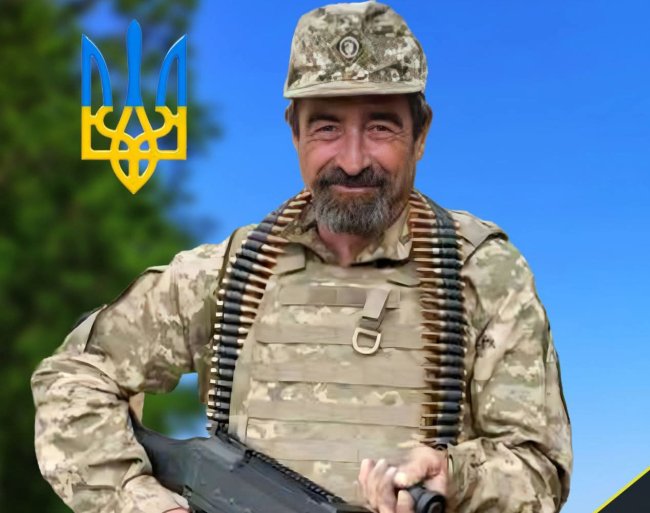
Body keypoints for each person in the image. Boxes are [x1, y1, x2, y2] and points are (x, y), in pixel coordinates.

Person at [31, 2, 572, 513]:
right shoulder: (231, 273)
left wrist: (457, 477)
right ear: (294, 130)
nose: (353, 160)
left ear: (421, 132)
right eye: (327, 126)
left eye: (380, 126)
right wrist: (145, 503)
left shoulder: (482, 273)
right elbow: (71, 379)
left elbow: (539, 472)